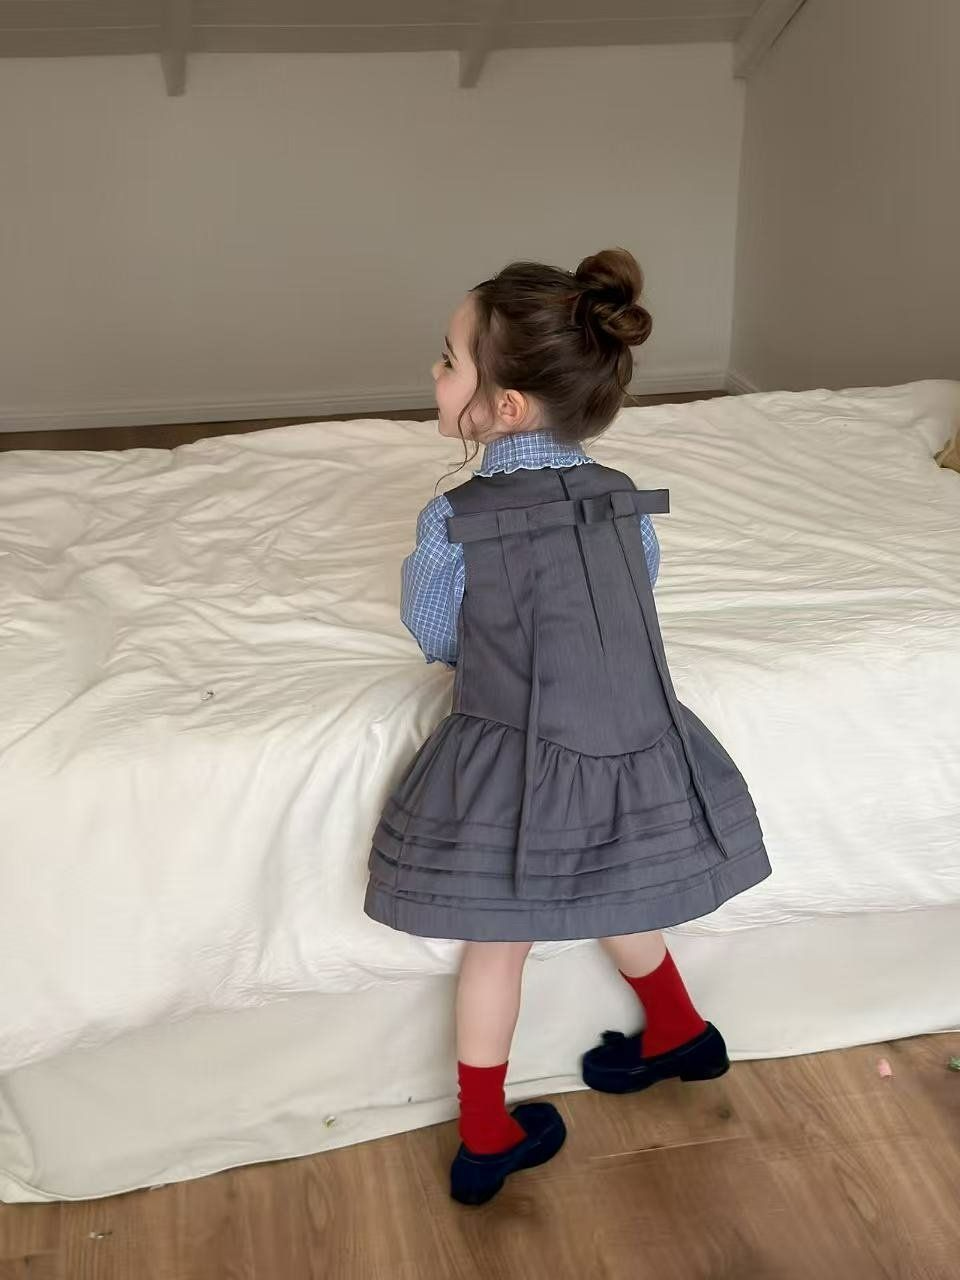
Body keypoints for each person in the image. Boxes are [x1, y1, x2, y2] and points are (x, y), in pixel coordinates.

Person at [365, 248, 771, 1206]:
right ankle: (682, 1033)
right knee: (618, 886)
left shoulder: (454, 520)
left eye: (450, 360)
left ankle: (486, 1134)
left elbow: (436, 631)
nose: (435, 371)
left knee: (497, 941)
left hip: (518, 748)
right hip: (632, 734)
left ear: (505, 407)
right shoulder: (623, 499)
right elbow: (637, 591)